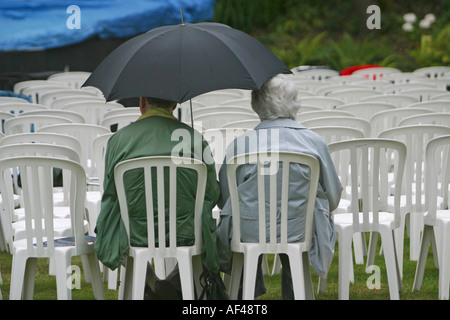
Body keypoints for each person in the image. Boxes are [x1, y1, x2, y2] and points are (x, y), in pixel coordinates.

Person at [216, 74, 343, 299]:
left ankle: (244, 294)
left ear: (256, 104)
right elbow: (332, 198)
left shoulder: (239, 144)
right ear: (294, 102)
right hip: (298, 230)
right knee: (294, 228)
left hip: (248, 231)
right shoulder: (313, 142)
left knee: (242, 223)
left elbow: (225, 199)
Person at [95, 96, 220, 299]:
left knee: (110, 224)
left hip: (133, 232)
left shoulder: (118, 140)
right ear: (174, 104)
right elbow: (212, 193)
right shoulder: (194, 139)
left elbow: (111, 192)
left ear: (142, 103)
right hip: (186, 231)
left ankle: (151, 282)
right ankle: (170, 285)